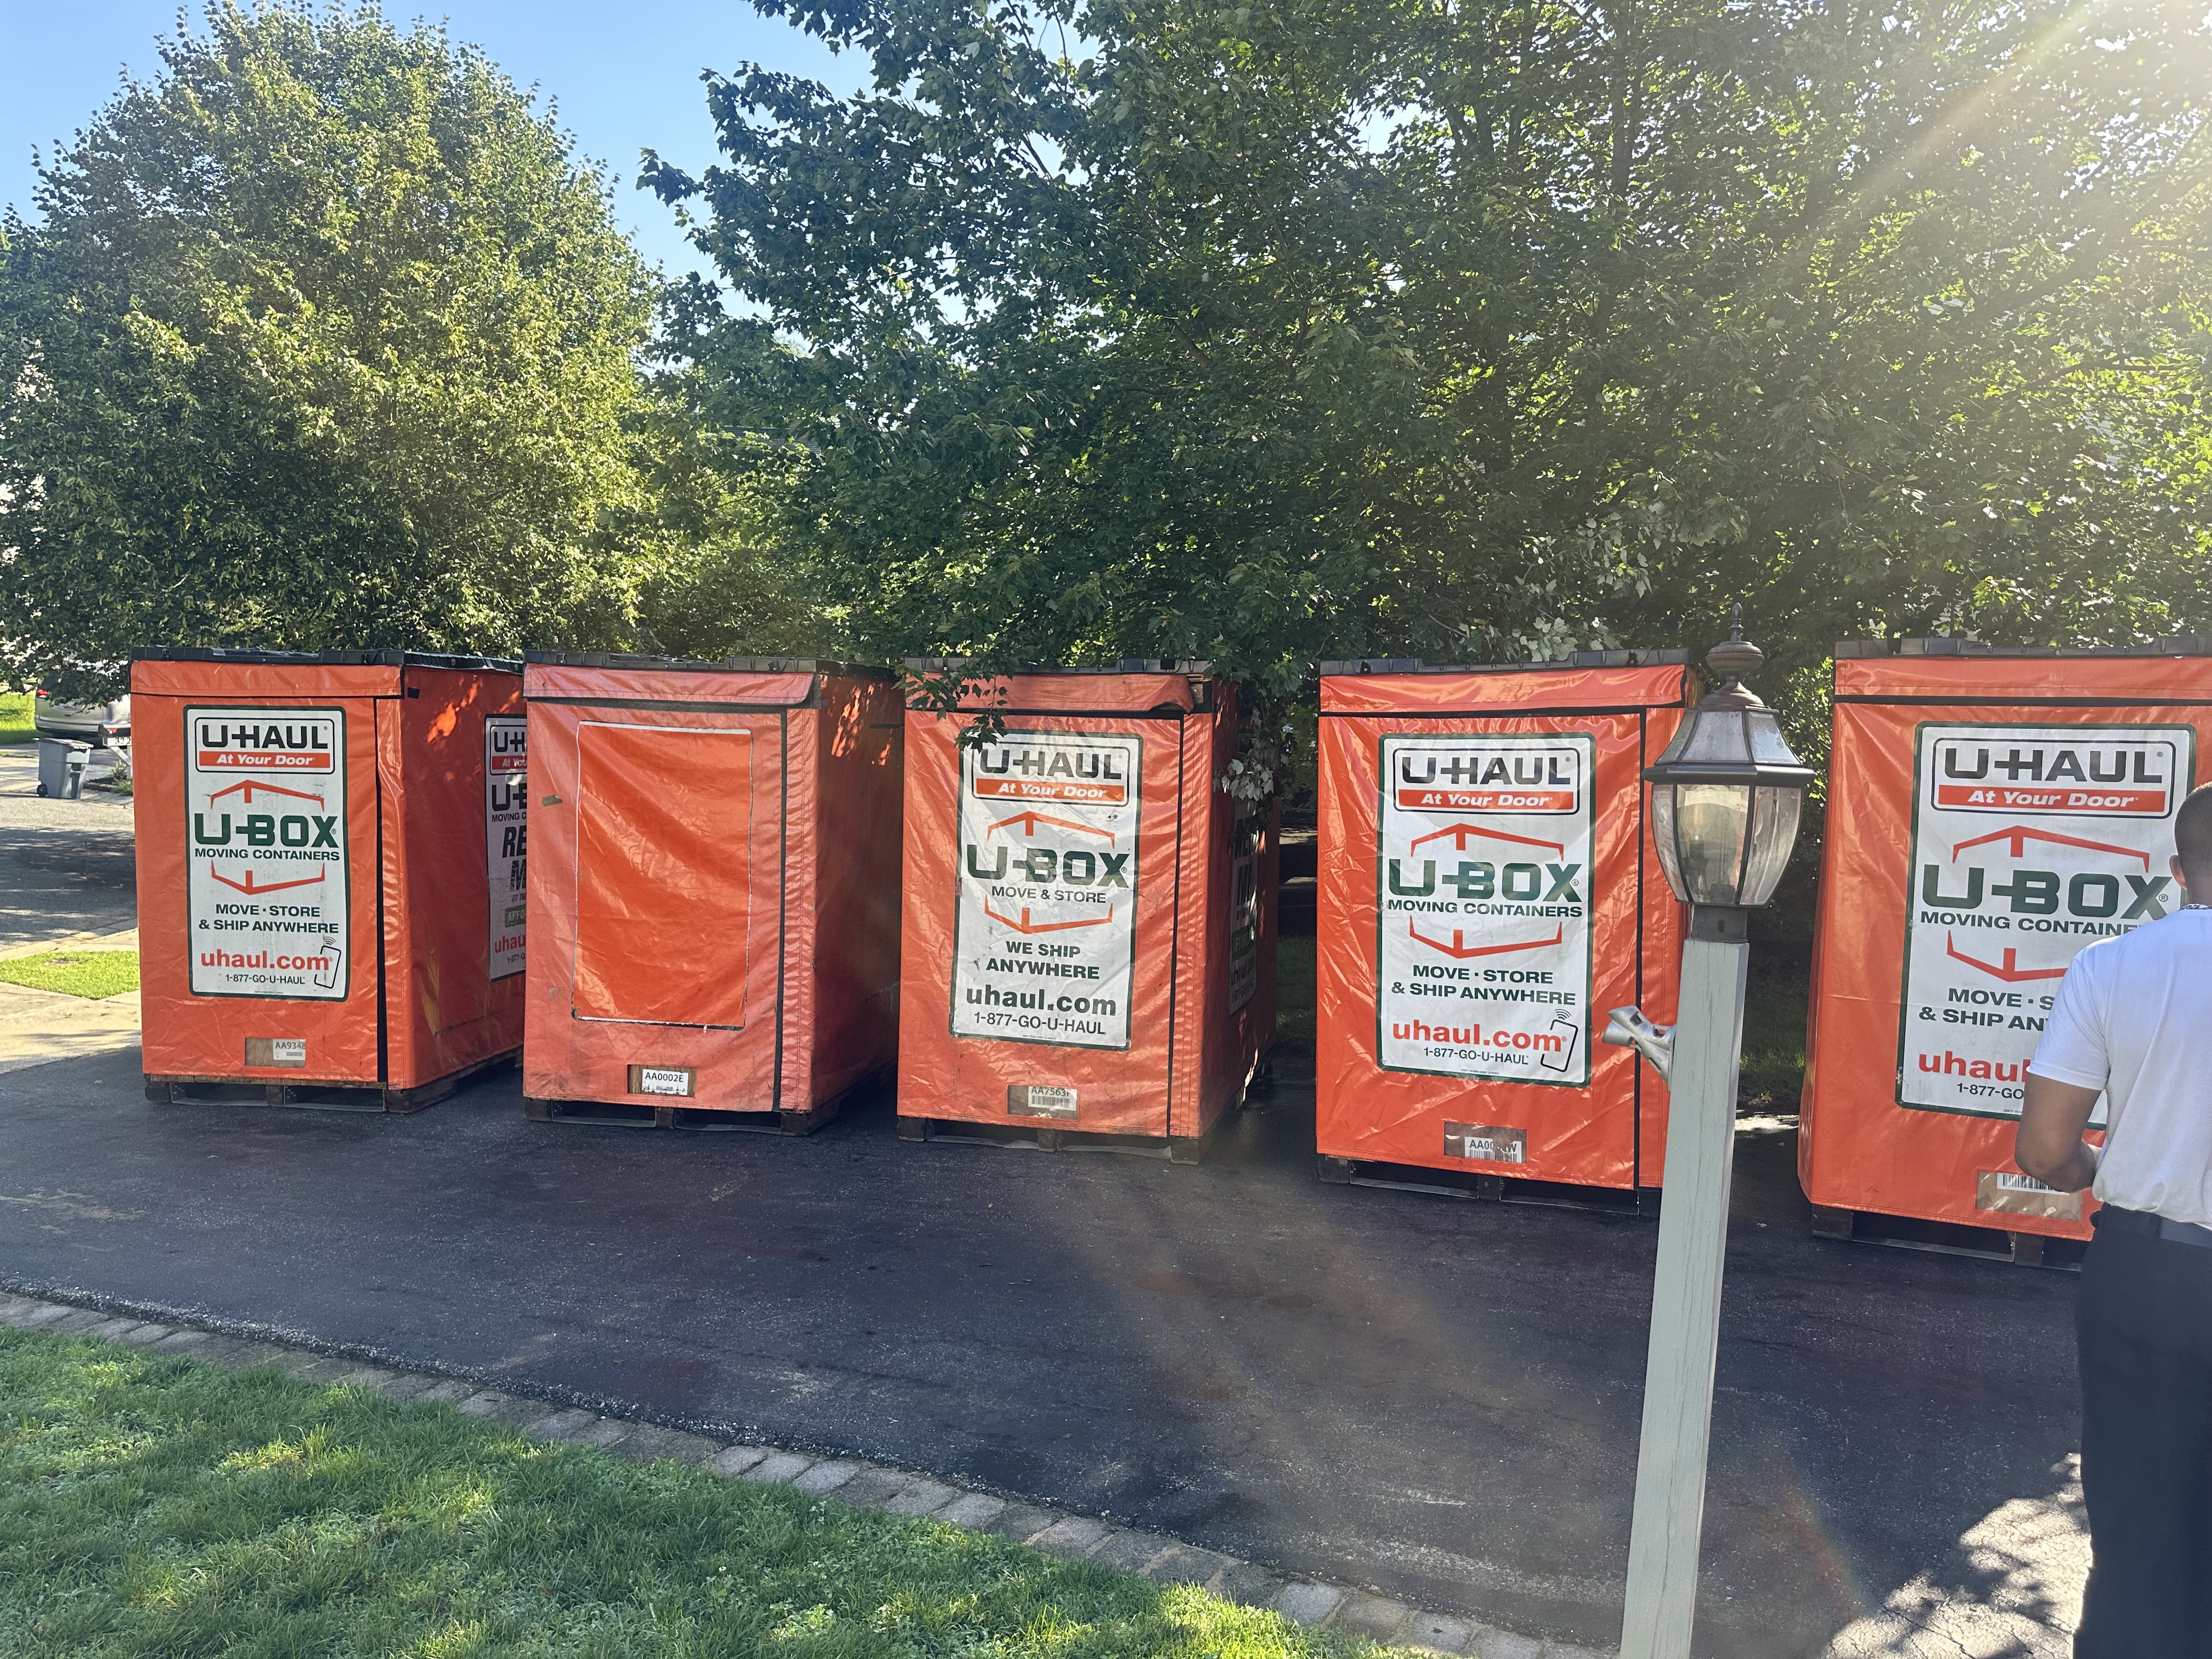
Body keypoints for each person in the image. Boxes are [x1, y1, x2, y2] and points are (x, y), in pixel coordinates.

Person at [2017, 781, 2212, 1658]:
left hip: (2145, 1273)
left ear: (2180, 872)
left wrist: (2105, 1171)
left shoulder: (2113, 965)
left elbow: (2044, 1150)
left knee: (2136, 1539)